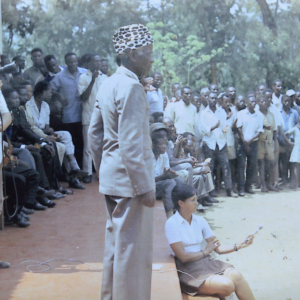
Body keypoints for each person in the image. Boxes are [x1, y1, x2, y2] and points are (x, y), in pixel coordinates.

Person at [88, 24, 156, 300]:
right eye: (148, 52)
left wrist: (105, 169)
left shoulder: (109, 83)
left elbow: (94, 134)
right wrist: (144, 186)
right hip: (131, 184)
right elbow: (130, 142)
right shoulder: (131, 87)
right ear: (131, 53)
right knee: (133, 254)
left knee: (116, 249)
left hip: (114, 179)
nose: (152, 59)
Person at [165, 182, 255, 300]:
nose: (197, 203)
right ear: (180, 203)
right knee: (227, 285)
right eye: (192, 200)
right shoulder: (172, 224)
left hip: (206, 262)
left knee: (236, 276)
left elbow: (218, 248)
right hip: (187, 270)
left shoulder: (200, 220)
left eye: (196, 199)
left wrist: (241, 244)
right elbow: (183, 257)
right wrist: (205, 251)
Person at [25, 81, 87, 189]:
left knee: (66, 134)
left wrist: (51, 132)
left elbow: (46, 126)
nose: (51, 94)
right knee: (62, 146)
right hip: (35, 137)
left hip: (44, 134)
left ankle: (74, 167)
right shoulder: (28, 105)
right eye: (49, 91)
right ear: (43, 92)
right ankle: (73, 175)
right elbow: (32, 128)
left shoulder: (45, 105)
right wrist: (46, 136)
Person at [51, 52, 86, 165]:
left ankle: (83, 167)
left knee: (83, 142)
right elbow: (50, 89)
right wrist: (59, 96)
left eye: (75, 61)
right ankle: (74, 168)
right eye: (70, 62)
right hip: (68, 115)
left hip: (84, 113)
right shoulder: (59, 76)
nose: (73, 64)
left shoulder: (84, 72)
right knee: (73, 143)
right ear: (66, 63)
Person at [201, 92, 237, 197]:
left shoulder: (220, 112)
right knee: (210, 168)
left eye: (215, 98)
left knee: (226, 167)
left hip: (220, 143)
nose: (213, 100)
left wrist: (225, 127)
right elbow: (204, 130)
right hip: (209, 144)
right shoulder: (204, 113)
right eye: (211, 98)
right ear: (208, 99)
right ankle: (211, 192)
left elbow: (225, 126)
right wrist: (215, 126)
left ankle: (229, 190)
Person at [78, 53, 107, 183]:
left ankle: (102, 173)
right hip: (89, 116)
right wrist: (92, 81)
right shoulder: (83, 78)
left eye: (99, 62)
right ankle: (87, 172)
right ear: (89, 63)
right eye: (95, 62)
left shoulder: (106, 78)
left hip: (103, 117)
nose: (98, 64)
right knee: (88, 147)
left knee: (103, 146)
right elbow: (83, 97)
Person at [151, 123, 182, 219]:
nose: (164, 147)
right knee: (170, 183)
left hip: (159, 185)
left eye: (165, 144)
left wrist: (170, 174)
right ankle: (169, 214)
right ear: (153, 145)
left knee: (179, 181)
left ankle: (180, 211)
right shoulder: (147, 157)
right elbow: (147, 182)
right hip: (150, 188)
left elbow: (166, 171)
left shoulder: (163, 155)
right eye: (161, 144)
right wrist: (165, 177)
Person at [236, 94, 264, 195]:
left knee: (252, 166)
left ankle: (248, 187)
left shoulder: (258, 115)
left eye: (254, 102)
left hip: (253, 143)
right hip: (242, 143)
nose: (253, 103)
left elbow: (259, 131)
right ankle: (241, 188)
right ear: (247, 103)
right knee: (241, 166)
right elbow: (239, 128)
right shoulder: (241, 114)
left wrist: (250, 141)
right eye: (251, 102)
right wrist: (244, 141)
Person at [257, 95, 278, 192]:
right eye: (262, 101)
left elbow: (274, 130)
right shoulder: (256, 114)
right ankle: (263, 185)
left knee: (271, 163)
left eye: (266, 101)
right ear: (258, 103)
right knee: (261, 164)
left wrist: (275, 142)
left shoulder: (271, 114)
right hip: (260, 142)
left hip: (269, 142)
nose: (264, 103)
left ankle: (270, 183)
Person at [279, 94, 299, 186]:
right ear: (281, 102)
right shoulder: (278, 112)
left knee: (292, 161)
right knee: (283, 161)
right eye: (285, 101)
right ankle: (284, 179)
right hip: (281, 139)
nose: (287, 103)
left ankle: (292, 180)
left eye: (288, 101)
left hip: (291, 140)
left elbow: (296, 125)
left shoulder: (294, 112)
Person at [284, 115, 300, 189]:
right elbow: (285, 134)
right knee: (296, 168)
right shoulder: (296, 129)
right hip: (297, 149)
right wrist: (289, 142)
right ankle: (296, 184)